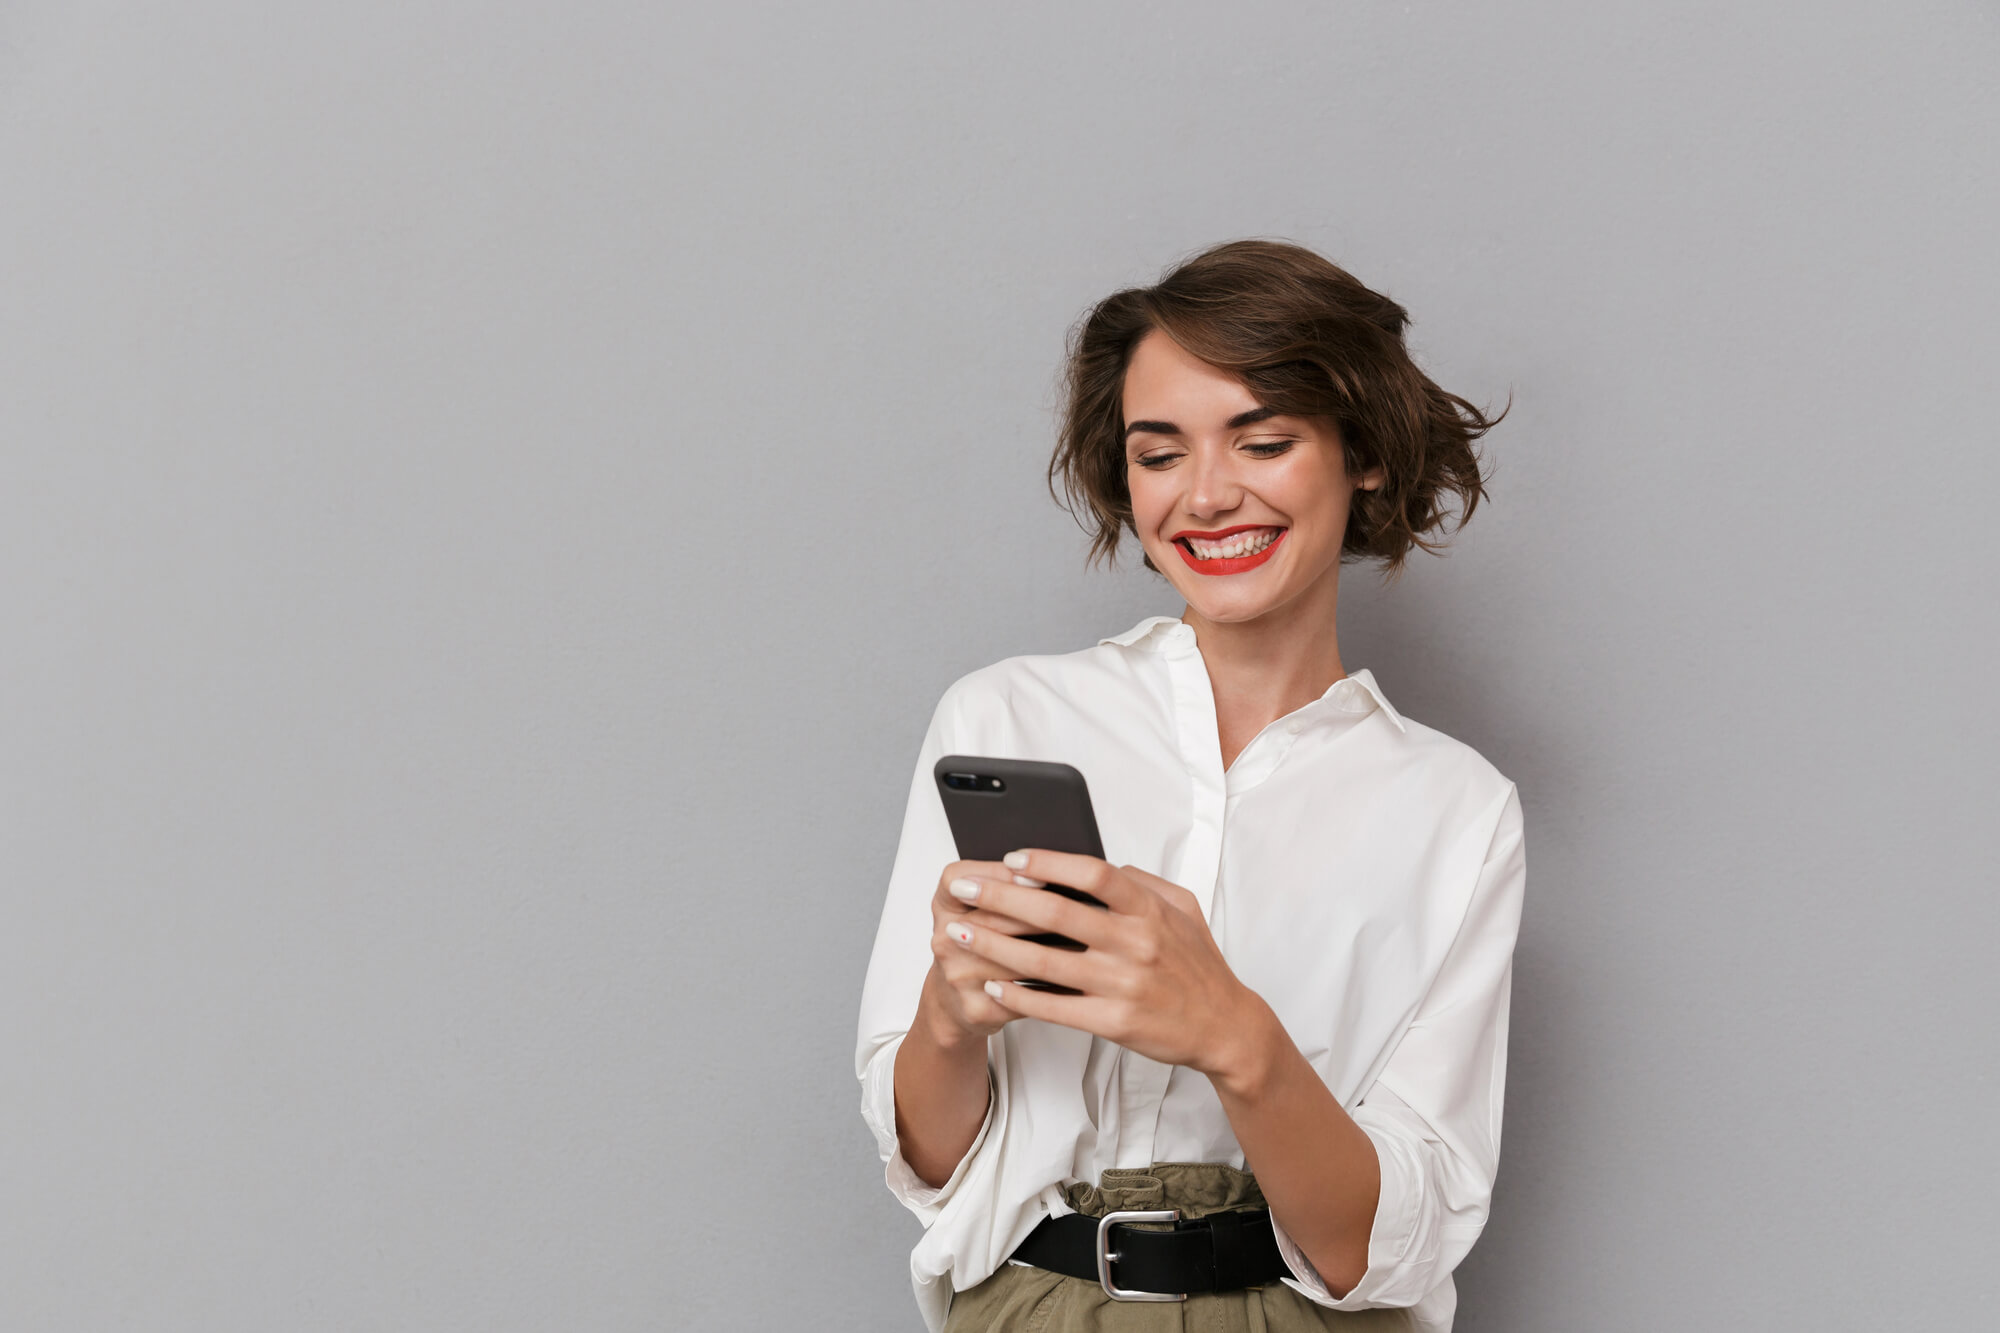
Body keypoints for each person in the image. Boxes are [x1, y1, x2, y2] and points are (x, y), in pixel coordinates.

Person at [854, 238, 1525, 1333]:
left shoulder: (1457, 809)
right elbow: (926, 1164)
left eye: (1263, 442)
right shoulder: (1004, 716)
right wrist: (948, 1017)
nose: (1207, 496)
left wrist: (1231, 1035)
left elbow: (1379, 1249)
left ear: (1361, 454)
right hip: (1036, 1306)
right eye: (1159, 454)